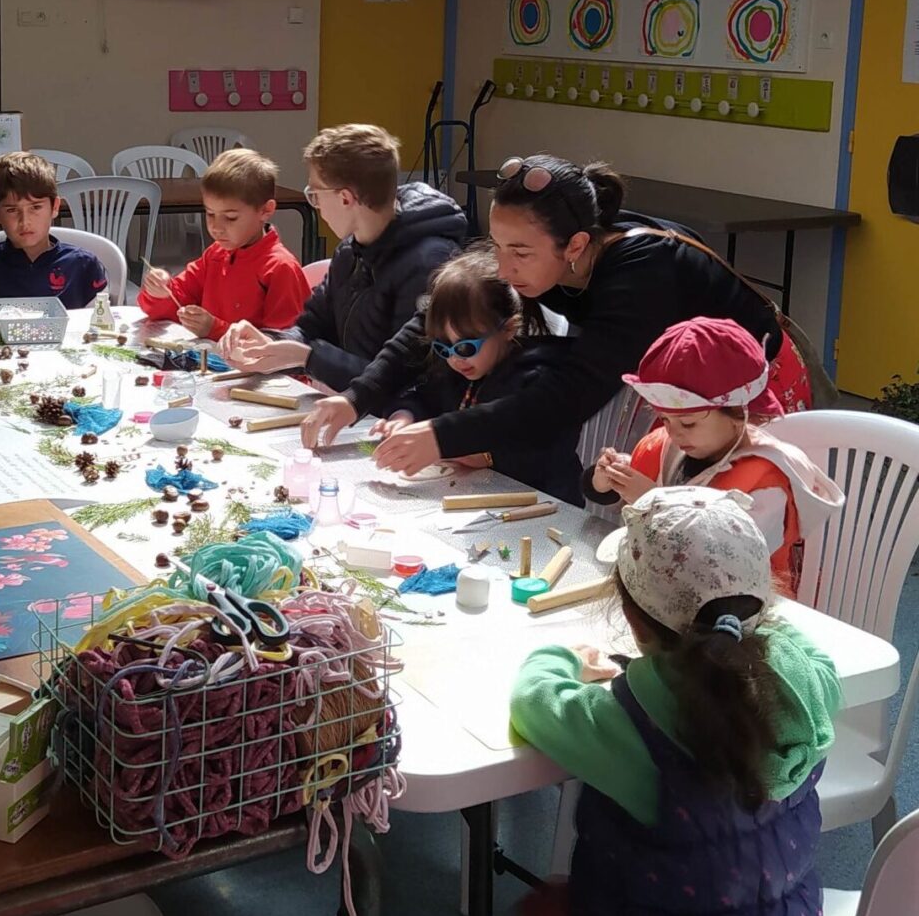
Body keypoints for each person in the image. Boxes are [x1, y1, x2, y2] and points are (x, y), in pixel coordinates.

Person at [298, 154, 821, 478]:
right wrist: (355, 397)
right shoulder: (542, 249)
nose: (503, 267)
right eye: (497, 245)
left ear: (574, 245)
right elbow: (433, 319)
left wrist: (442, 435)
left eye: (520, 253)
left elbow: (564, 398)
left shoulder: (642, 273)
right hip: (674, 387)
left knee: (743, 505)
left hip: (752, 384)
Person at [510, 486, 841, 916]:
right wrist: (754, 626)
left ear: (632, 619)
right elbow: (801, 649)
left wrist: (563, 658)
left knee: (543, 909)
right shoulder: (810, 683)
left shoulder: (632, 724)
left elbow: (533, 701)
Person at [585, 317, 843, 593]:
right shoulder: (669, 446)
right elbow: (624, 502)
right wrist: (604, 482)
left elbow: (722, 562)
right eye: (664, 419)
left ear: (739, 413)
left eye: (688, 423)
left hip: (739, 615)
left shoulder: (767, 483)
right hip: (664, 593)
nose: (673, 433)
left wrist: (654, 502)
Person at [217, 124, 467, 392]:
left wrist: (306, 358)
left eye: (315, 194)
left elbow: (406, 380)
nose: (316, 204)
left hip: (392, 420)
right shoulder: (350, 250)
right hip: (346, 405)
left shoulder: (428, 265)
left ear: (345, 198)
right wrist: (269, 343)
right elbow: (312, 325)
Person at [372, 247, 583, 503]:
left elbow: (548, 453)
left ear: (508, 328)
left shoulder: (541, 377)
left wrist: (485, 456)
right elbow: (423, 396)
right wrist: (404, 417)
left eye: (465, 346)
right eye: (443, 346)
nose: (454, 358)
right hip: (478, 500)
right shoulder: (458, 371)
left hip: (547, 507)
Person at [138, 148, 309, 341]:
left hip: (257, 369)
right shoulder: (216, 255)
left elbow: (284, 347)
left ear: (266, 210)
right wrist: (160, 290)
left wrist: (215, 329)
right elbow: (172, 305)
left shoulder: (280, 268)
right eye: (210, 214)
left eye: (230, 217)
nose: (216, 227)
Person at [0, 151, 108, 319]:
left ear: (55, 207)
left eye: (36, 207)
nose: (25, 222)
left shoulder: (84, 266)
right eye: (12, 210)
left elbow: (104, 335)